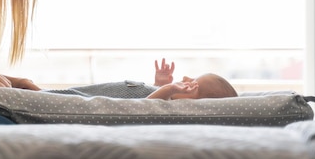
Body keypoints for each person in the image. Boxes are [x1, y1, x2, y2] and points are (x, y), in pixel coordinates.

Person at [46, 58, 238, 100]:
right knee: (75, 91)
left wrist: (170, 89)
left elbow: (145, 106)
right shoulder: (168, 98)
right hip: (110, 88)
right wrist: (160, 84)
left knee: (69, 96)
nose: (185, 78)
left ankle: (30, 88)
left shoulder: (172, 108)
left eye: (192, 84)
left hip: (103, 97)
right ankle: (34, 89)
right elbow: (155, 95)